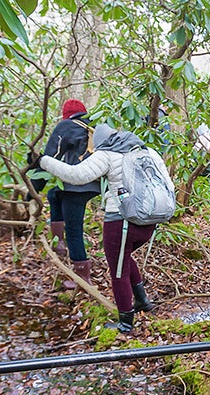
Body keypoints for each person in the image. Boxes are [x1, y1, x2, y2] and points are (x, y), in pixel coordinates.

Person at [33, 124, 159, 332]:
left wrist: (43, 161)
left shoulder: (108, 153)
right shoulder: (148, 152)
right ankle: (142, 301)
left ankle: (125, 323)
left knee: (117, 270)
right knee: (124, 257)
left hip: (121, 220)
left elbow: (76, 175)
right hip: (149, 219)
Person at [29, 99, 101, 290]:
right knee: (54, 194)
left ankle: (82, 279)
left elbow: (49, 157)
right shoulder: (96, 126)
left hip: (75, 185)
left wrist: (33, 190)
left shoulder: (66, 126)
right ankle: (58, 243)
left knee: (74, 229)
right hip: (93, 184)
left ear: (66, 115)